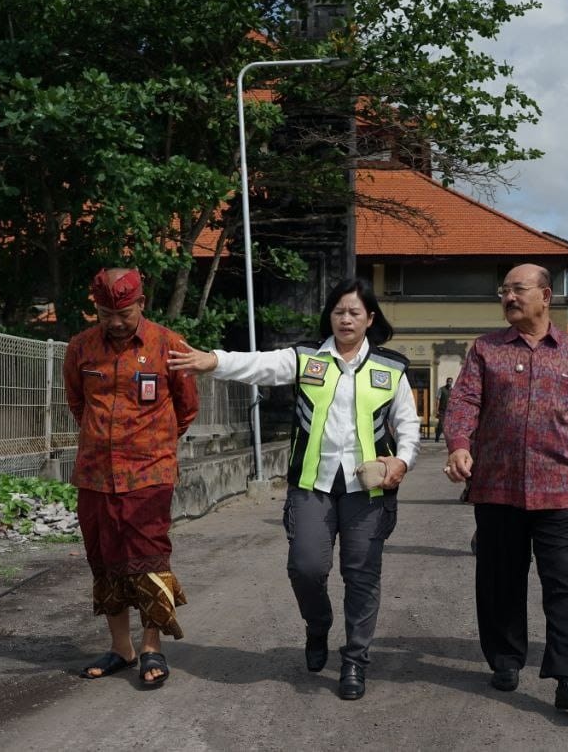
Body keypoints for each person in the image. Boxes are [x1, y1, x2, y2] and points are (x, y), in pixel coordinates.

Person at [168, 277, 419, 700]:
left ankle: (355, 662)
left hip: (368, 492)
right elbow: (258, 364)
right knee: (306, 568)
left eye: (355, 312)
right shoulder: (306, 359)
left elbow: (408, 423)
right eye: (339, 311)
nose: (345, 318)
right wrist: (213, 360)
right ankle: (317, 627)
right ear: (330, 317)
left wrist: (402, 459)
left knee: (362, 576)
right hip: (311, 486)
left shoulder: (390, 368)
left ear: (369, 318)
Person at [443, 263, 568, 712]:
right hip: (497, 485)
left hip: (561, 487)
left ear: (545, 296)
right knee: (500, 579)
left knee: (563, 583)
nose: (509, 297)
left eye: (518, 289)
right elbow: (465, 402)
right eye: (504, 290)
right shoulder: (484, 350)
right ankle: (506, 659)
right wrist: (458, 445)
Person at [63, 267, 200, 687]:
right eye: (106, 312)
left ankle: (151, 647)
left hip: (149, 474)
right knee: (105, 561)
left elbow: (187, 407)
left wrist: (150, 445)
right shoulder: (80, 348)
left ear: (141, 304)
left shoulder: (169, 345)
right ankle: (121, 648)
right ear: (97, 309)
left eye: (124, 312)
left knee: (148, 562)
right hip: (95, 475)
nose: (116, 321)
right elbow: (76, 402)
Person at [434, 377, 453, 442]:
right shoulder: (441, 389)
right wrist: (437, 410)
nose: (449, 383)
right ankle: (437, 437)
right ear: (446, 382)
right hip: (442, 410)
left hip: (450, 411)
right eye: (448, 381)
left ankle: (450, 438)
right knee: (441, 425)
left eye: (450, 382)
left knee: (450, 425)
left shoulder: (453, 391)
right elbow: (438, 400)